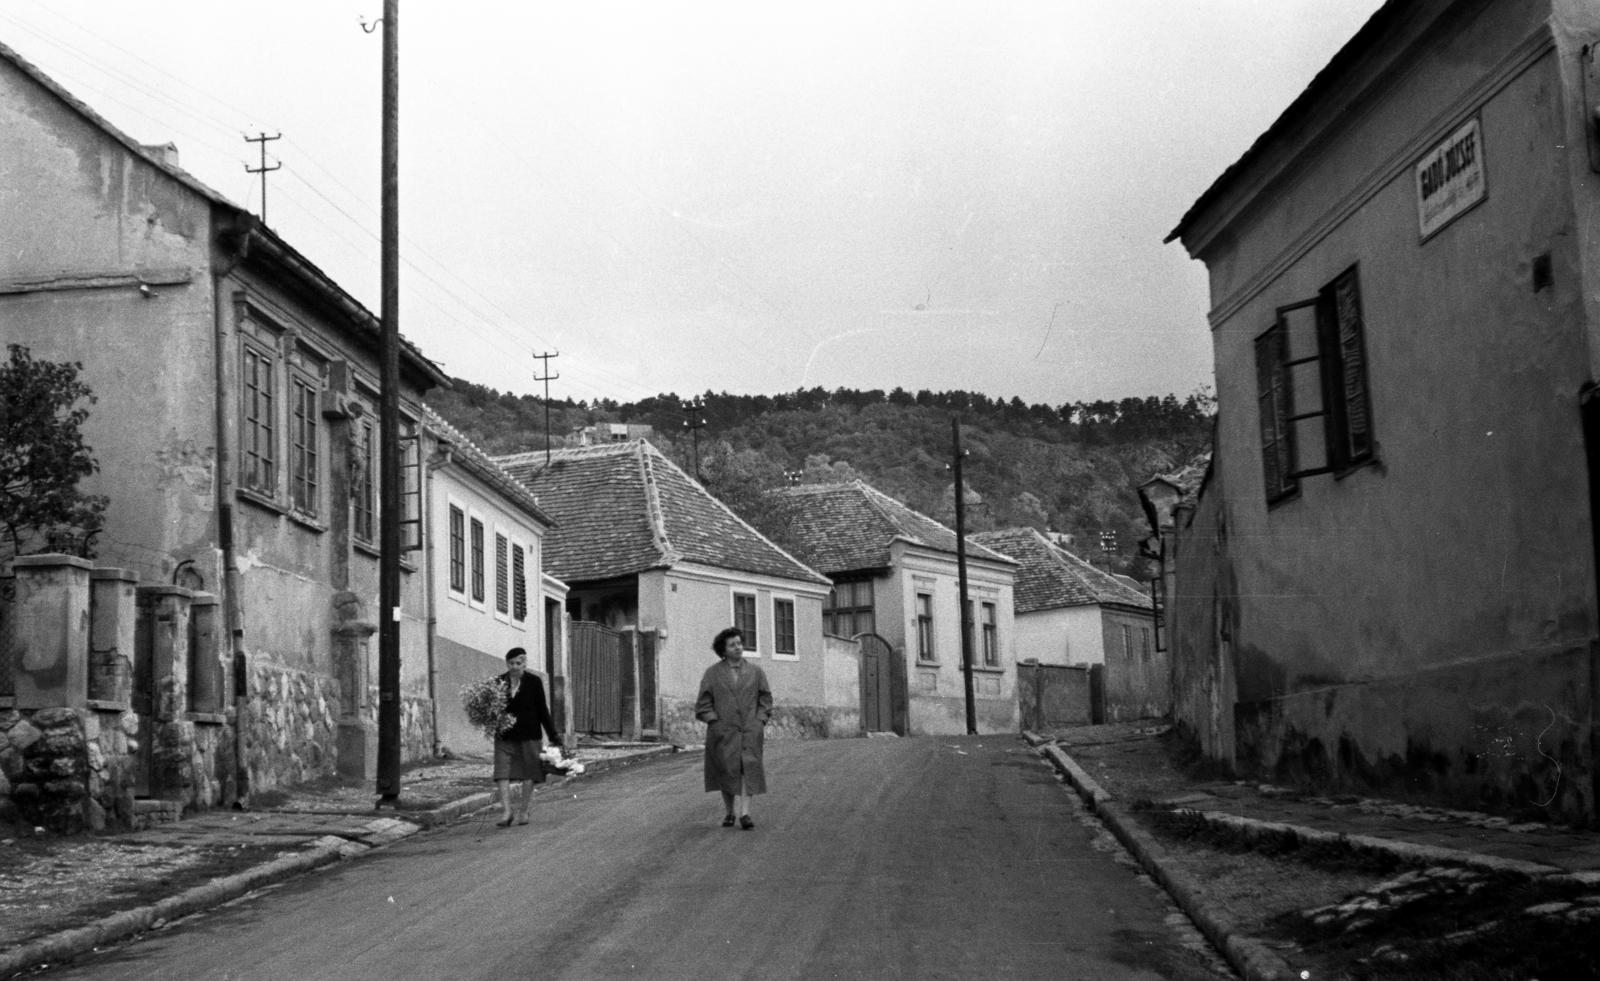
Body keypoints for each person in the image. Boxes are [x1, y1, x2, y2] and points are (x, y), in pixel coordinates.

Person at [695, 626, 771, 830]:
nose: (738, 647)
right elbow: (703, 703)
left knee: (749, 769)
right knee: (726, 770)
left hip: (749, 730)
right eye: (732, 644)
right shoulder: (712, 674)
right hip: (723, 732)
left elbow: (765, 699)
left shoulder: (756, 672)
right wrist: (714, 721)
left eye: (739, 643)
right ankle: (729, 811)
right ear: (723, 649)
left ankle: (745, 814)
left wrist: (760, 721)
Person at [493, 647, 561, 828]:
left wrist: (553, 734)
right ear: (506, 663)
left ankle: (523, 811)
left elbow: (542, 710)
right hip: (504, 734)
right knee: (501, 772)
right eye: (511, 663)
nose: (514, 667)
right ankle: (507, 811)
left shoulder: (534, 682)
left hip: (530, 734)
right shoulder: (498, 682)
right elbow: (491, 709)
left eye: (518, 663)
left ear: (525, 663)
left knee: (529, 772)